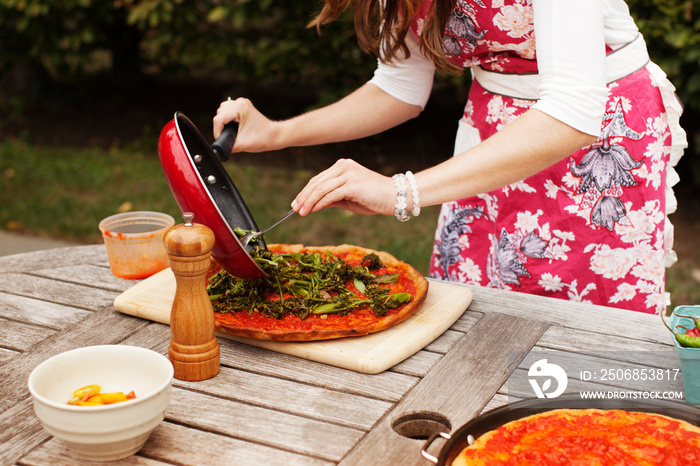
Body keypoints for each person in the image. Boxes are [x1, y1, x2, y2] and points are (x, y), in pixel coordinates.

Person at [213, 0, 686, 314]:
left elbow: (571, 110)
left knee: (584, 342)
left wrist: (402, 191)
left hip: (600, 141)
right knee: (476, 316)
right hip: (491, 136)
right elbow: (400, 86)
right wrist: (278, 133)